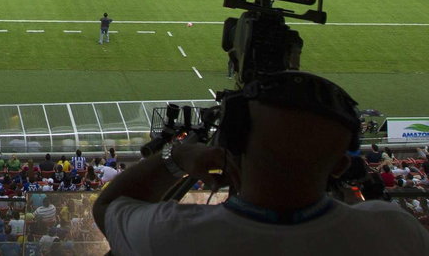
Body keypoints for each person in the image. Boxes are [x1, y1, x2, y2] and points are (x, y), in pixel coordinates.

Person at [94, 71, 429, 255]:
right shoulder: (394, 231)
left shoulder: (169, 234)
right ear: (340, 166)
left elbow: (107, 206)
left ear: (231, 146)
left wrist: (178, 156)